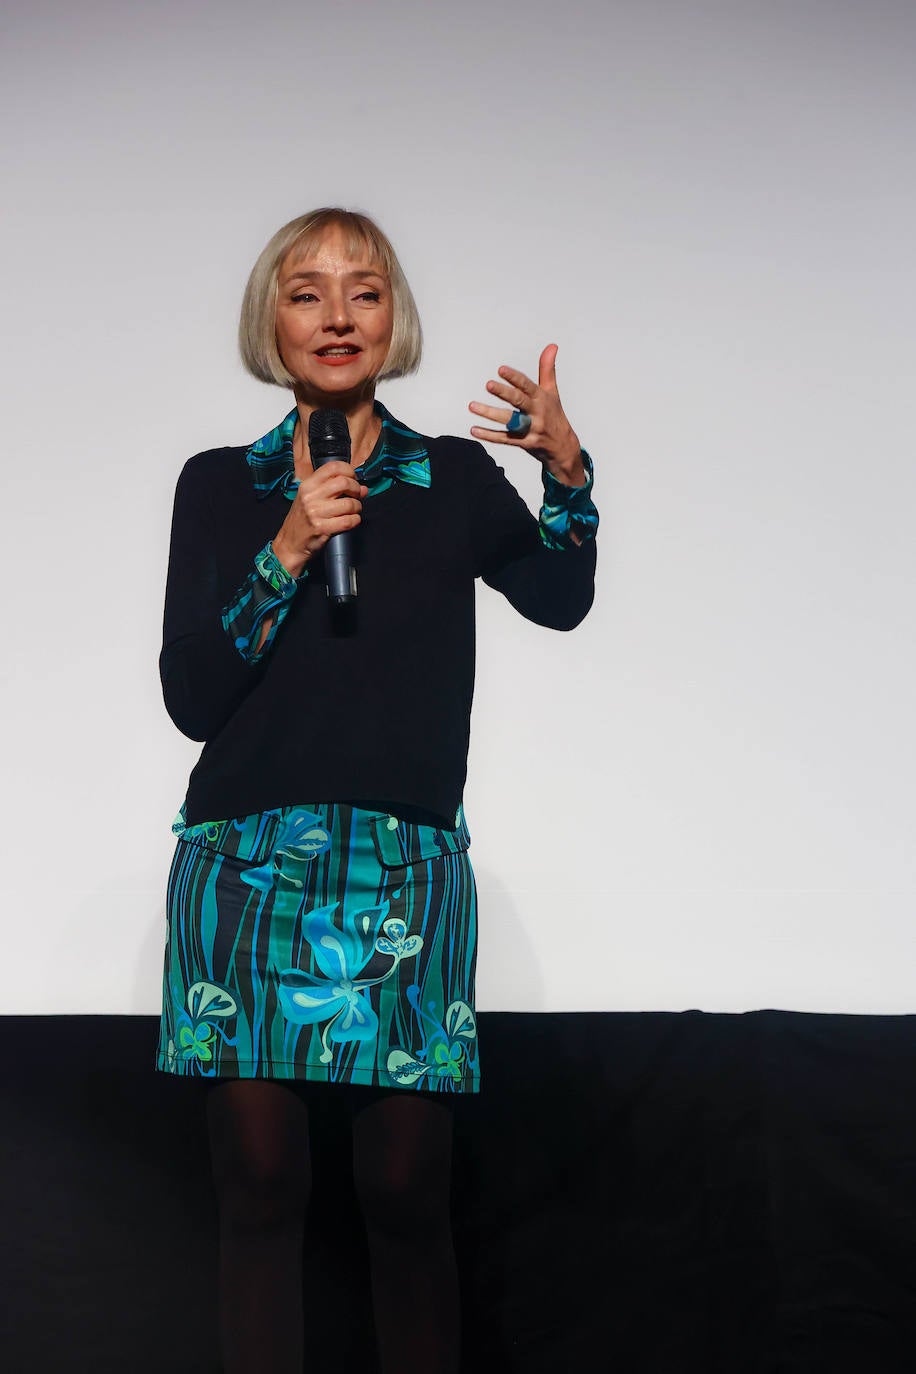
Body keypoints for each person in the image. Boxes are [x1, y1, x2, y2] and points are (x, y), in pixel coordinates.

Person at [155, 207, 598, 1374]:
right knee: (258, 1192)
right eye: (306, 291)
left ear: (392, 317)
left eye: (363, 290)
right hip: (242, 869)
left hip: (403, 873)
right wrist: (289, 548)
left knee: (405, 1194)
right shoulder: (219, 485)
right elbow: (192, 697)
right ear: (273, 321)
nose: (336, 314)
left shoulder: (452, 478)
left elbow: (558, 599)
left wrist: (567, 476)